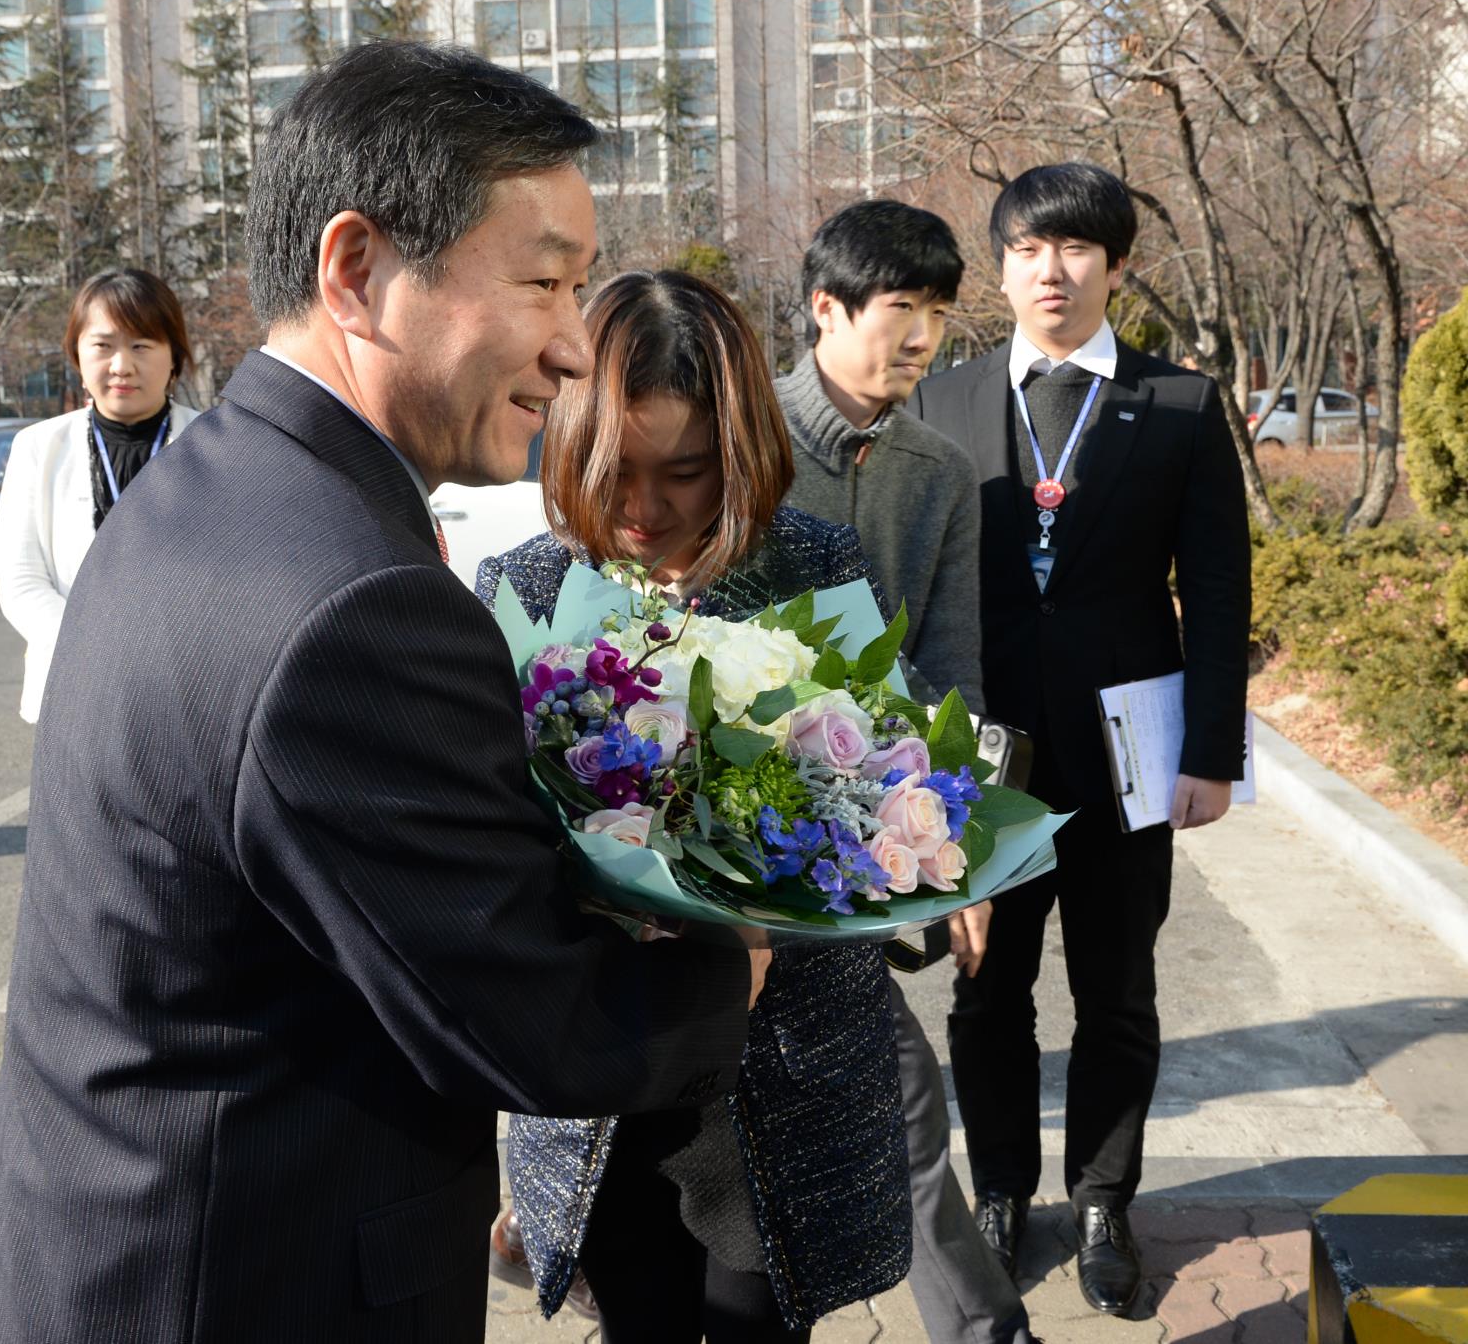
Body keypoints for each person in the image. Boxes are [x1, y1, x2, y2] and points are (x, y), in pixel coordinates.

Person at [0, 42, 768, 1344]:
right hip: (239, 1281)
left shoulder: (204, 485)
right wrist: (745, 950)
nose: (570, 346)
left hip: (103, 1243)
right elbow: (537, 1026)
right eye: (545, 281)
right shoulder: (354, 601)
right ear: (358, 270)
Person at [476, 269, 911, 1342]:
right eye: (610, 470)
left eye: (684, 472)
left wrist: (805, 884)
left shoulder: (811, 564)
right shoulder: (523, 588)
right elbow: (484, 858)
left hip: (782, 1068)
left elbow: (878, 797)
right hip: (605, 1085)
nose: (641, 510)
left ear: (743, 455)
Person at [911, 162, 1250, 1316]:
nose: (1048, 271)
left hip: (1128, 751)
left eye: (1073, 250)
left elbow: (1215, 589)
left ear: (1114, 264)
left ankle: (1106, 1201)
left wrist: (1212, 750)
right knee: (984, 986)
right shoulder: (943, 402)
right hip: (984, 757)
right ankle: (1000, 1188)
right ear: (998, 266)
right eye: (1024, 250)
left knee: (1117, 989)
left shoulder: (1179, 405)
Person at [773, 199, 1037, 1344]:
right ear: (825, 308)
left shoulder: (938, 466)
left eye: (940, 310)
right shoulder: (735, 437)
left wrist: (955, 846)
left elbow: (951, 666)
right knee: (882, 1100)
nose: (923, 335)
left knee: (895, 1104)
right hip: (730, 838)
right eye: (901, 309)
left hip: (859, 841)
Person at [0, 269, 201, 723]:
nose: (121, 365)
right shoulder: (38, 448)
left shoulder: (214, 445)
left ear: (174, 358)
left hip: (184, 694)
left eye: (142, 346)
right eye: (103, 345)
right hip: (72, 690)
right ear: (76, 354)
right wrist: (95, 646)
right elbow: (21, 582)